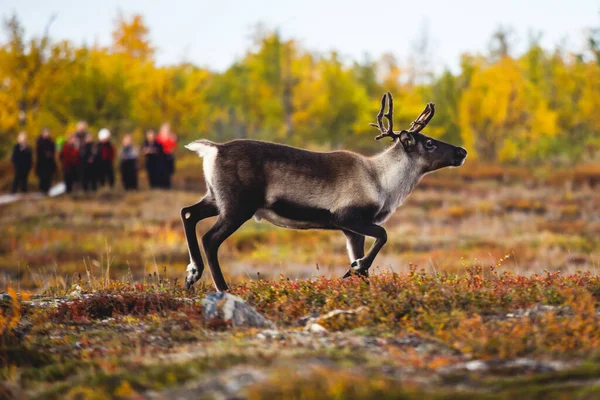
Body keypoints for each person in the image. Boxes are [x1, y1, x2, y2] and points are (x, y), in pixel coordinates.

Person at [35, 128, 56, 194]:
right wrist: (45, 153)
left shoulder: (51, 141)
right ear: (43, 133)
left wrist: (50, 154)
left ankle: (47, 189)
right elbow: (38, 152)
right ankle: (42, 190)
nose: (47, 134)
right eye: (45, 132)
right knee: (42, 177)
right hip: (42, 162)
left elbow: (53, 150)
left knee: (49, 177)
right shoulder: (39, 141)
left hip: (49, 162)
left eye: (48, 132)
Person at [156, 123, 176, 189]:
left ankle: (167, 186)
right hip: (160, 157)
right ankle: (160, 185)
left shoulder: (171, 137)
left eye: (167, 129)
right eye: (164, 129)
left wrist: (173, 141)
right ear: (161, 129)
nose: (165, 130)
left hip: (168, 156)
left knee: (168, 173)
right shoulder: (158, 138)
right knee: (160, 171)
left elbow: (173, 147)